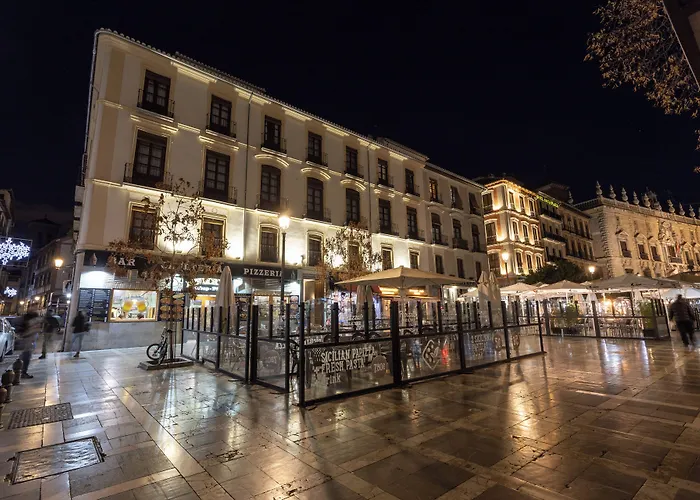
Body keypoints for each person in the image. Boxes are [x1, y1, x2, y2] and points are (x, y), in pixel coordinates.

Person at [18, 306, 42, 378]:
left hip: (28, 340)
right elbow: (30, 331)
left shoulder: (27, 319)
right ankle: (22, 372)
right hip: (28, 341)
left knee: (24, 356)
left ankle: (20, 372)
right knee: (26, 357)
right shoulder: (31, 321)